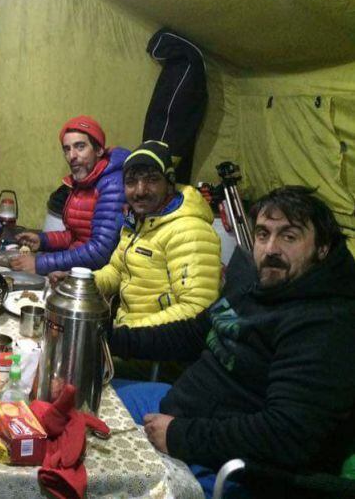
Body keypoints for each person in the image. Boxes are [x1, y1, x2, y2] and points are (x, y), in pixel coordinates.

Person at [111, 186, 355, 497]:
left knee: (95, 468)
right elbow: (194, 333)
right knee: (84, 399)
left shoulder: (326, 323)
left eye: (289, 237)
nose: (271, 249)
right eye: (263, 234)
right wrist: (111, 340)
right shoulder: (258, 282)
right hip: (180, 405)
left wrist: (180, 436)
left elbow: (287, 434)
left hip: (226, 463)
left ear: (322, 248)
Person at [92, 140, 221, 329]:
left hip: (161, 350)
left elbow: (196, 309)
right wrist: (81, 283)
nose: (140, 191)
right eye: (131, 181)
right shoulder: (137, 219)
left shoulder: (190, 231)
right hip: (129, 335)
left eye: (152, 180)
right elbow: (117, 270)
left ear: (169, 184)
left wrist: (128, 334)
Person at [10, 115, 129, 275]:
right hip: (79, 270)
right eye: (67, 149)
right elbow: (76, 237)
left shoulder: (113, 184)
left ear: (99, 150)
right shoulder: (83, 181)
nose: (72, 156)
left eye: (80, 146)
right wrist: (43, 240)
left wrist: (40, 263)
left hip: (99, 279)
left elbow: (100, 252)